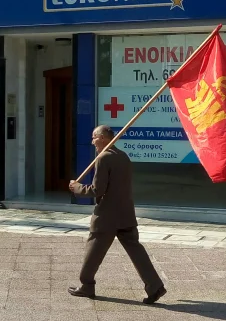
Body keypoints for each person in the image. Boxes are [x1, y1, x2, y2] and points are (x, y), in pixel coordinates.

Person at [68, 125, 166, 304]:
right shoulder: (123, 156)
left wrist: (77, 188)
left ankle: (86, 285)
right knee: (136, 251)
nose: (92, 142)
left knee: (94, 250)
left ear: (104, 138)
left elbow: (98, 190)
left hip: (107, 216)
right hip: (126, 213)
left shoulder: (104, 158)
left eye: (94, 137)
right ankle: (155, 286)